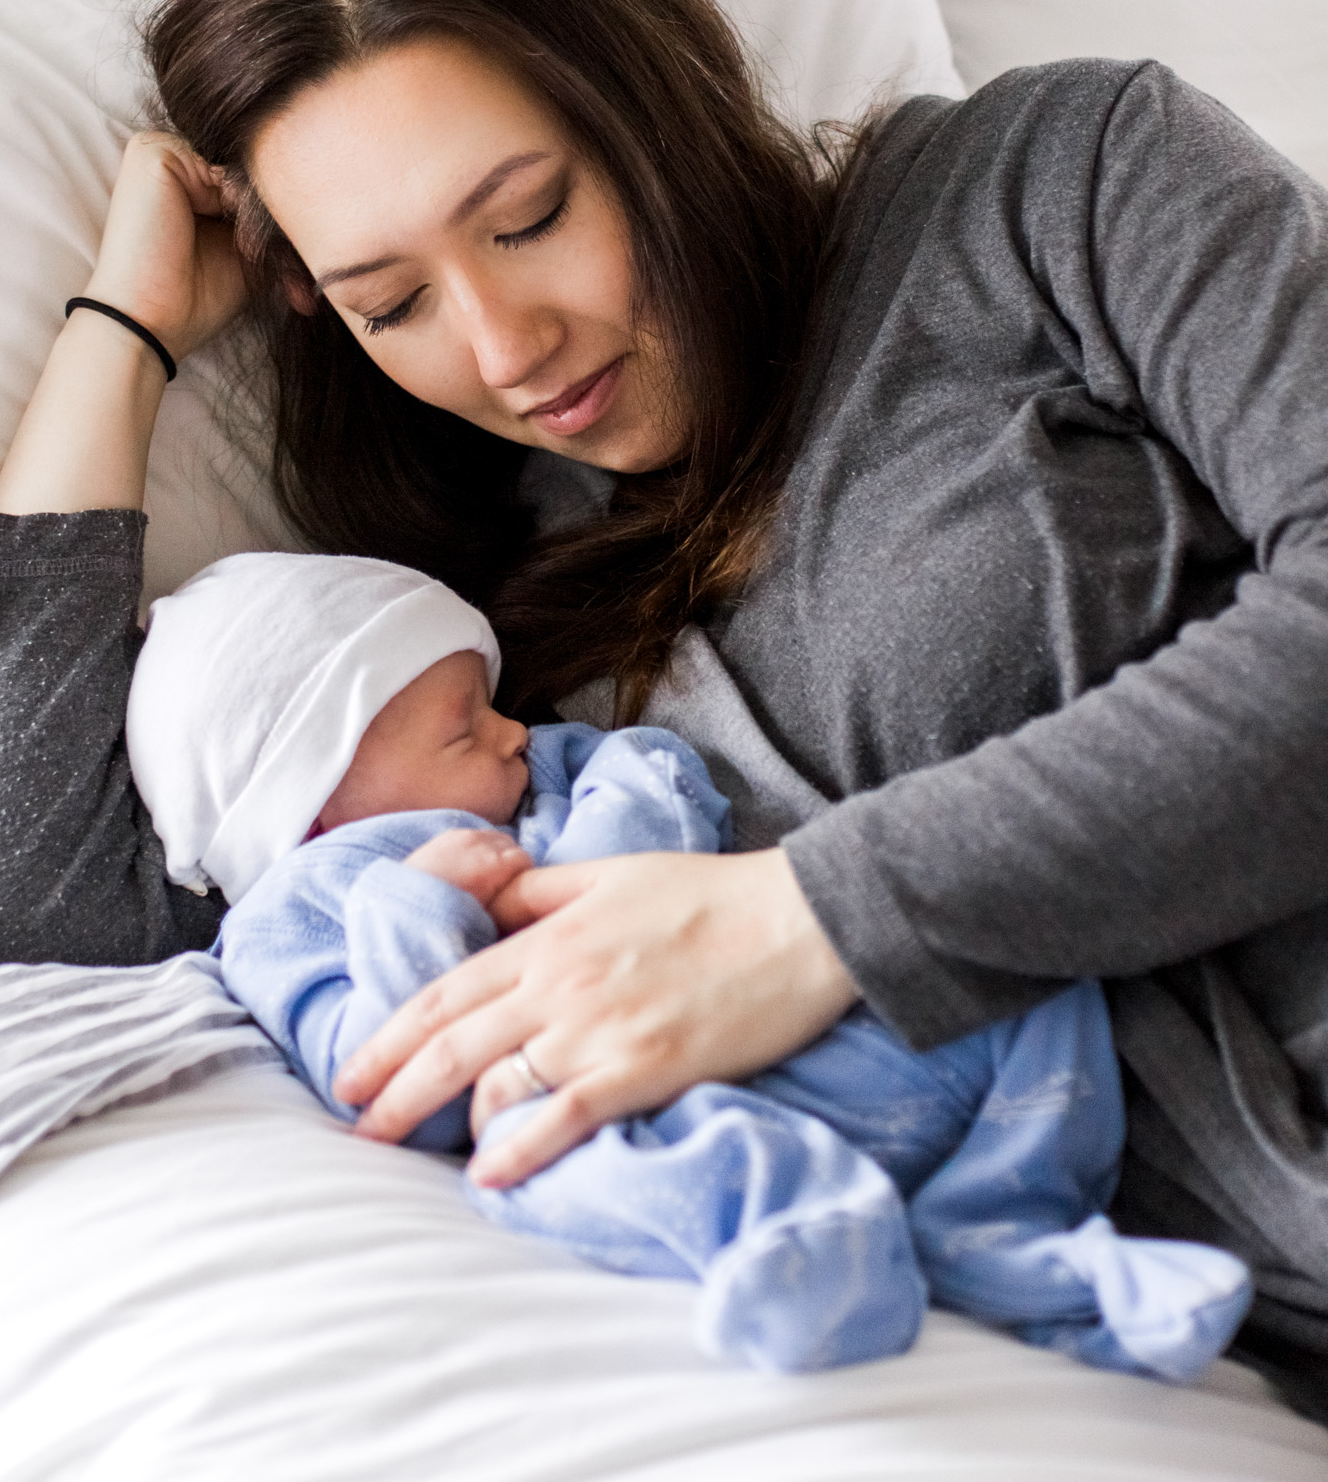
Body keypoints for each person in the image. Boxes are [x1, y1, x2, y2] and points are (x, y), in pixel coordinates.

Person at [0, 0, 1328, 1415]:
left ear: (649, 91)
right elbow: (2, 911)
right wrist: (129, 329)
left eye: (529, 216)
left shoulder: (1051, 182)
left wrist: (814, 920)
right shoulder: (476, 648)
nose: (504, 346)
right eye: (393, 302)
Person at [126, 547, 1251, 1380]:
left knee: (1027, 969)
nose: (517, 730)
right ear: (314, 801)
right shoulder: (297, 915)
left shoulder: (552, 776)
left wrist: (614, 836)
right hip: (657, 1101)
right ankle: (790, 1234)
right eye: (466, 725)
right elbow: (390, 1075)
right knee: (534, 1149)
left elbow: (665, 781)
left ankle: (1018, 1232)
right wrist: (413, 909)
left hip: (797, 1011)